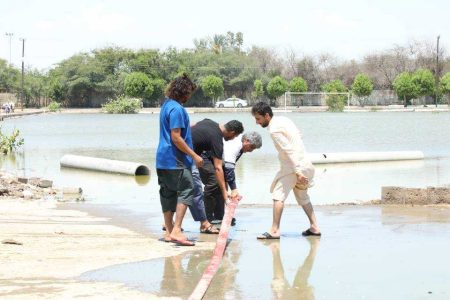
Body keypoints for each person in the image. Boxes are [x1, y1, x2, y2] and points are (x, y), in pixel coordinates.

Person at [251, 102, 321, 239]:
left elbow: (288, 149)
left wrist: (298, 171)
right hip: (305, 162)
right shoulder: (284, 120)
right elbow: (299, 135)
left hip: (293, 167)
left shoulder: (273, 130)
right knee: (303, 196)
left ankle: (274, 230)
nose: (257, 122)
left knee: (278, 195)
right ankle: (314, 227)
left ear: (266, 116)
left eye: (258, 119)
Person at [155, 74, 202, 246]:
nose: (189, 96)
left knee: (167, 193)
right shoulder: (177, 109)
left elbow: (172, 130)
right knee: (187, 189)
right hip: (176, 160)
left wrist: (188, 127)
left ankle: (168, 231)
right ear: (183, 92)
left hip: (162, 159)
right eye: (189, 93)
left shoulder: (166, 105)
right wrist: (194, 155)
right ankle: (177, 230)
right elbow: (176, 137)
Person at [190, 118, 244, 234]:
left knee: (180, 189)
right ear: (232, 132)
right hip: (187, 157)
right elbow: (218, 167)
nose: (232, 139)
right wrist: (225, 196)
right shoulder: (217, 139)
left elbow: (193, 124)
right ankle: (207, 219)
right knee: (211, 182)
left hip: (179, 152)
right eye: (234, 137)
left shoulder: (209, 121)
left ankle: (216, 216)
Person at [201, 131, 262, 223]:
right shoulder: (236, 145)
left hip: (216, 160)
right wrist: (234, 189)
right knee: (213, 183)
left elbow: (226, 168)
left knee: (222, 187)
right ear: (246, 141)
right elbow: (229, 169)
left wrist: (226, 186)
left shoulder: (241, 146)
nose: (251, 151)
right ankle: (207, 218)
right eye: (252, 147)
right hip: (204, 156)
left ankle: (219, 216)